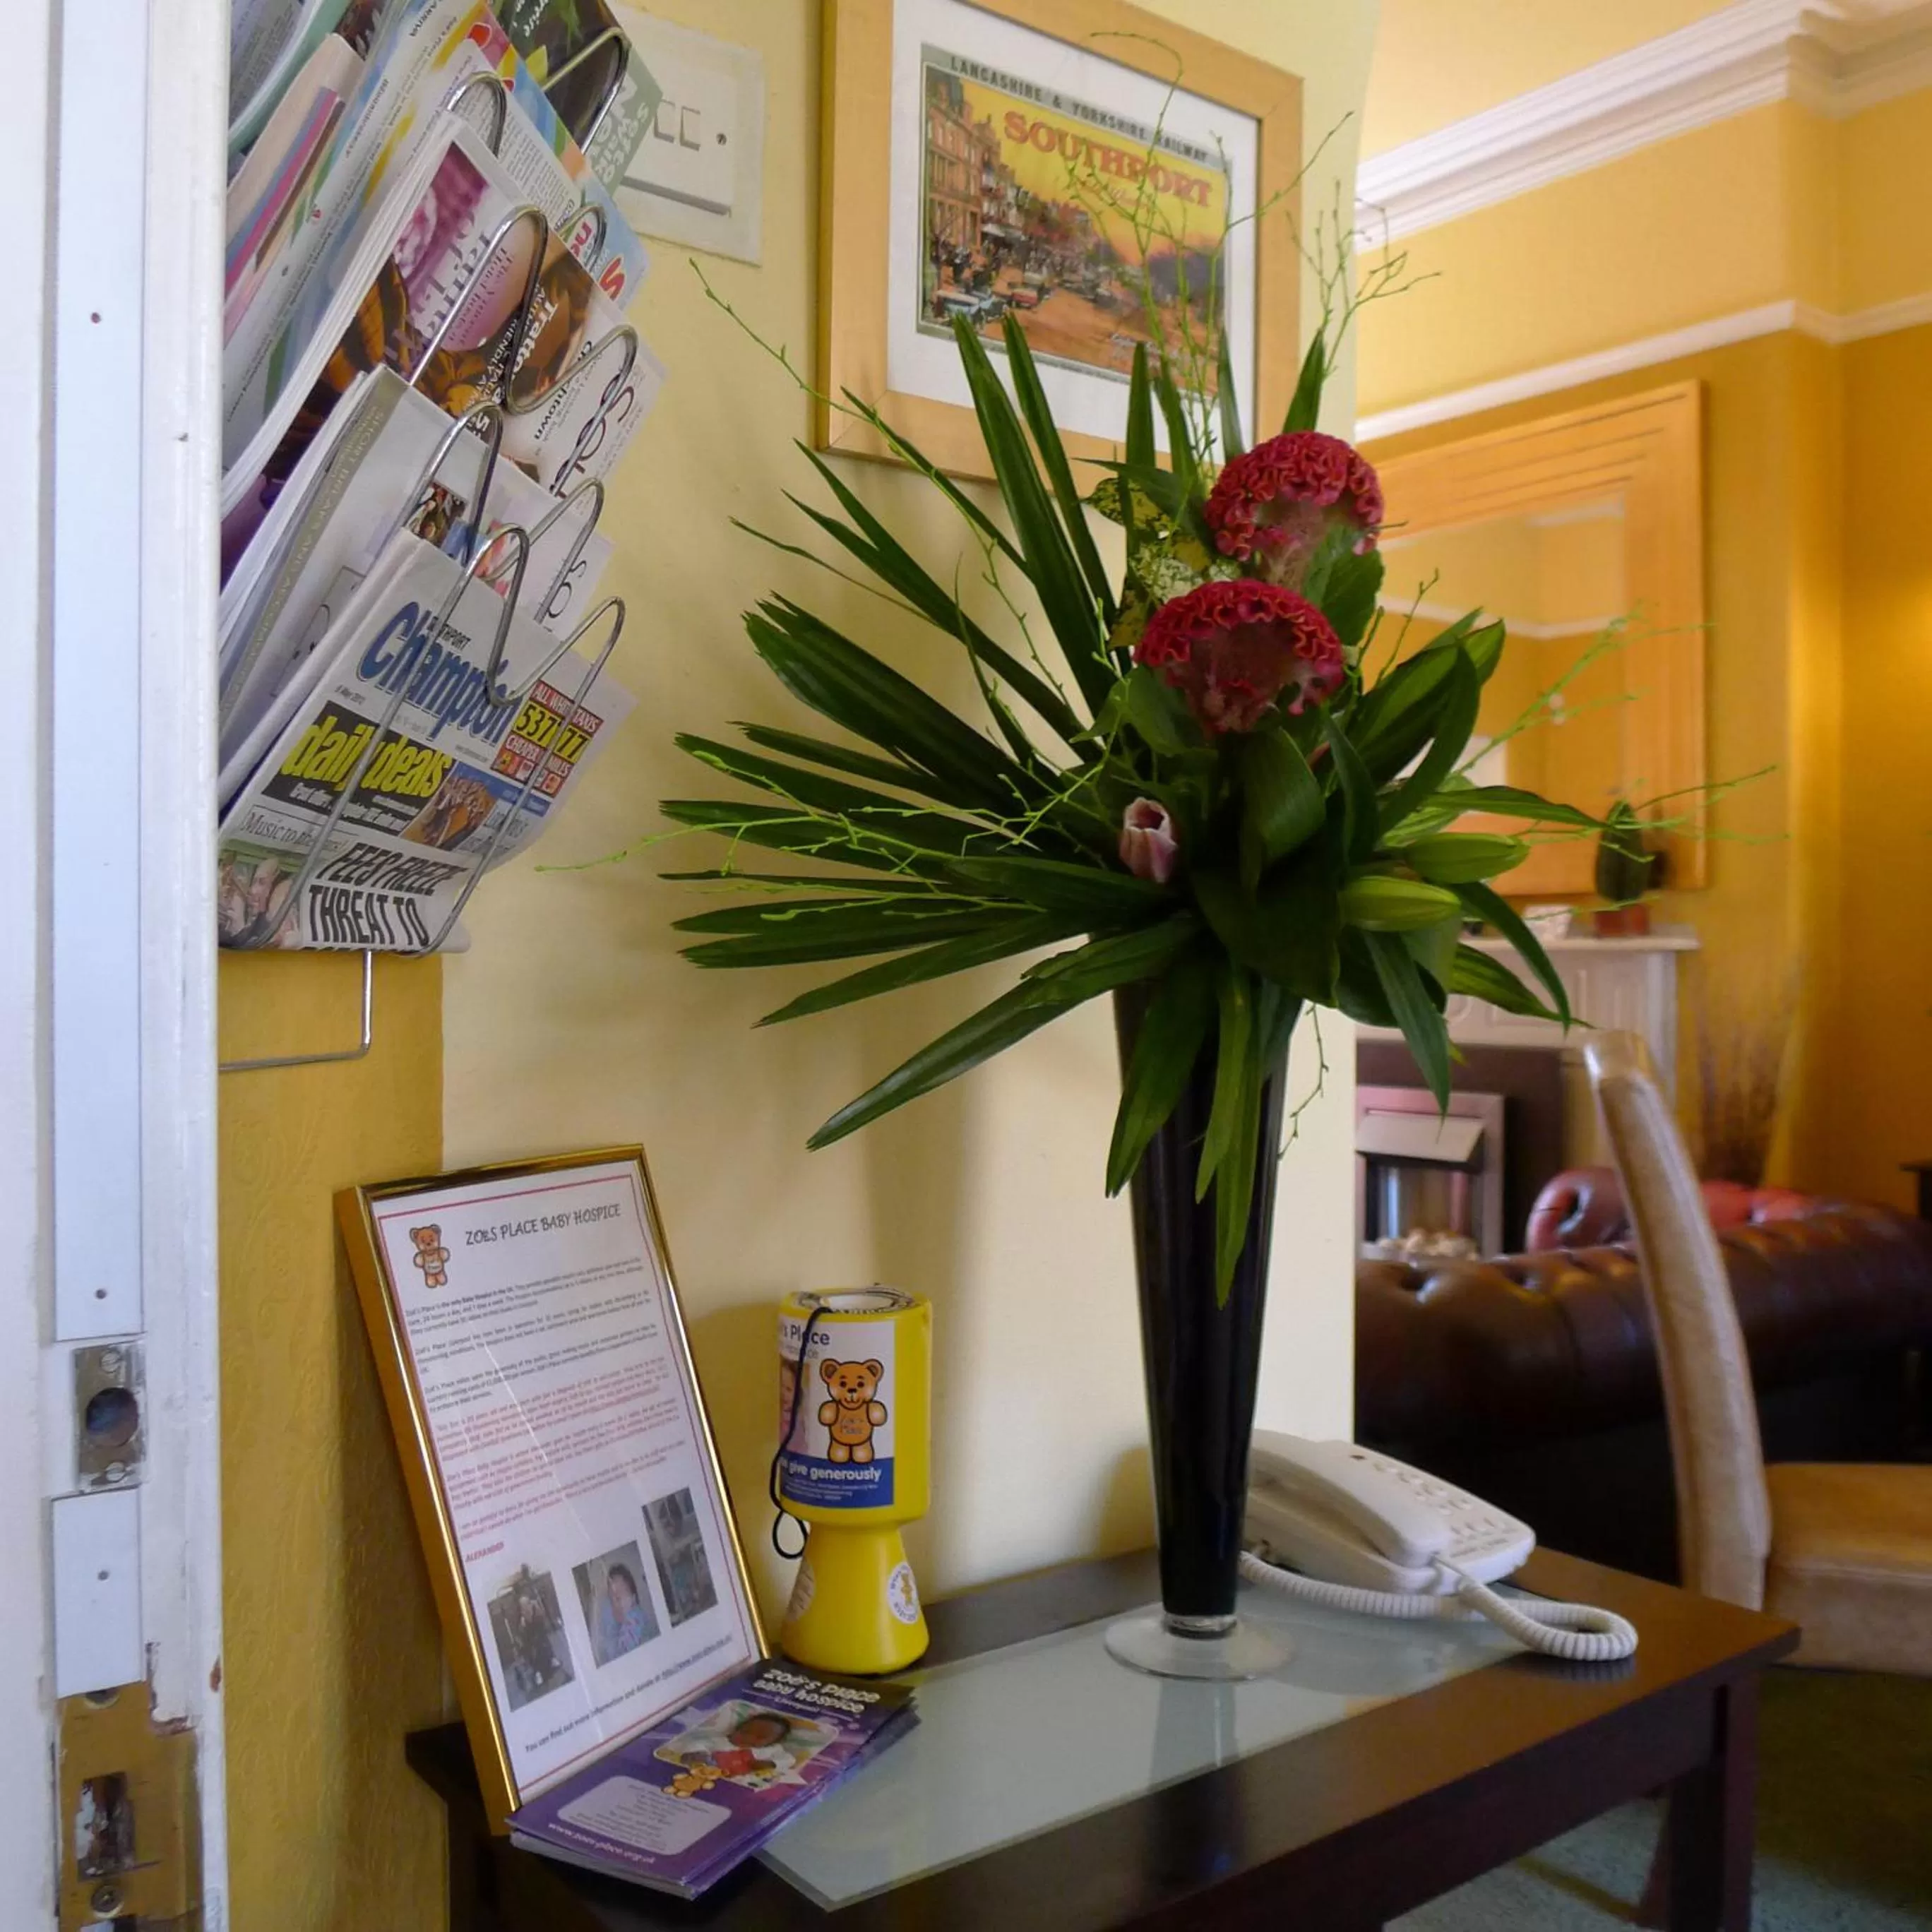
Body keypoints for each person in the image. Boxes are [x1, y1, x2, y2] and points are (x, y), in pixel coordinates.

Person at [597, 1562, 650, 1662]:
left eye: (618, 1598)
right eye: (611, 1600)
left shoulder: (635, 1619)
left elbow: (622, 1654)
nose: (615, 1605)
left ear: (633, 1598)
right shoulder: (619, 1625)